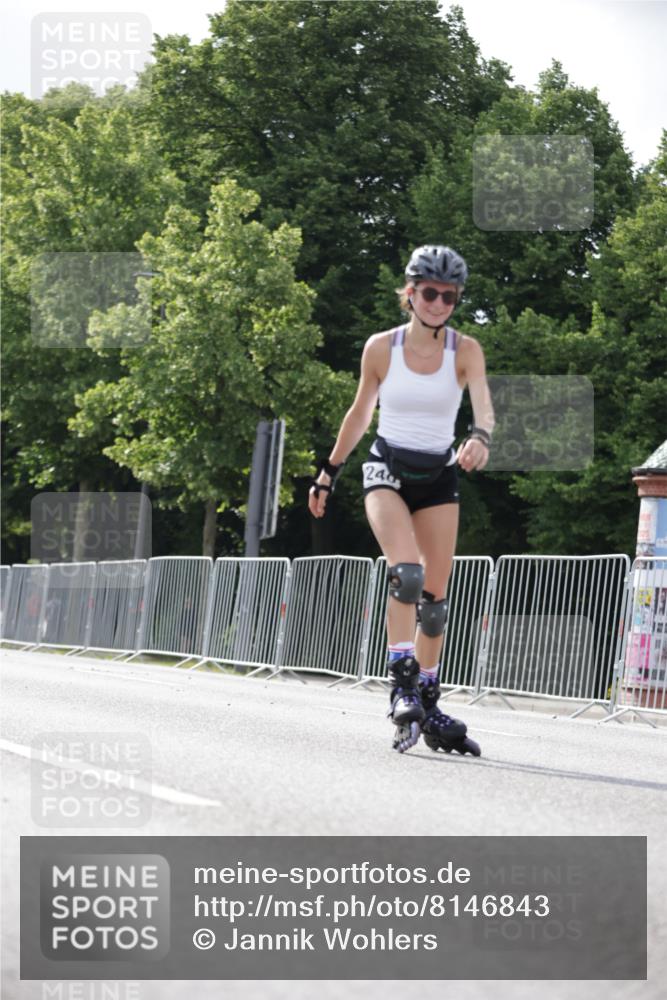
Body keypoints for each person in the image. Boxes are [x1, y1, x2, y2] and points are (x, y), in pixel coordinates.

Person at [308, 245, 493, 754]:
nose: (438, 302)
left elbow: (484, 410)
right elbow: (360, 413)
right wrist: (327, 474)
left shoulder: (466, 350)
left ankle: (428, 699)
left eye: (448, 296)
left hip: (437, 476)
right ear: (409, 293)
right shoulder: (380, 348)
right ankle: (401, 679)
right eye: (429, 292)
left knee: (434, 602)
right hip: (386, 467)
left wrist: (478, 438)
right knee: (406, 575)